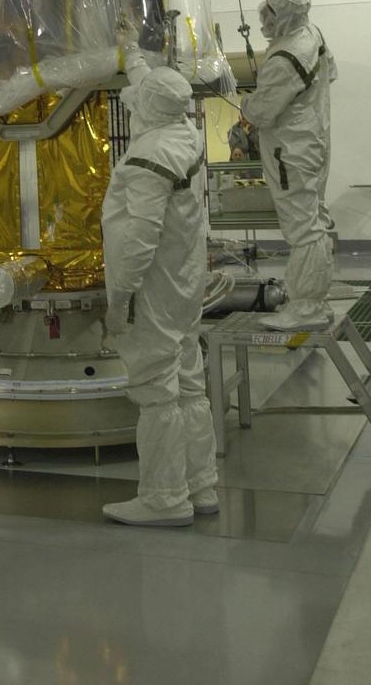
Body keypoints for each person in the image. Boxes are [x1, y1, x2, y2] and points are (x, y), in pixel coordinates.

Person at [101, 39, 218, 527]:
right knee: (189, 381)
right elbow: (151, 90)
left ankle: (165, 498)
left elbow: (139, 238)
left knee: (156, 390)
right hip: (185, 280)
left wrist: (119, 298)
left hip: (152, 288)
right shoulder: (185, 133)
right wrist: (132, 54)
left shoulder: (148, 157)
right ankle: (200, 484)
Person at [241, 0, 338, 330]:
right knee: (314, 219)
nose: (263, 17)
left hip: (290, 150)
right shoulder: (312, 34)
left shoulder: (284, 58)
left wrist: (245, 103)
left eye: (269, 12)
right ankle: (316, 301)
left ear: (283, 16)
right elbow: (332, 74)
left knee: (303, 228)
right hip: (312, 139)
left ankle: (306, 307)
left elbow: (261, 113)